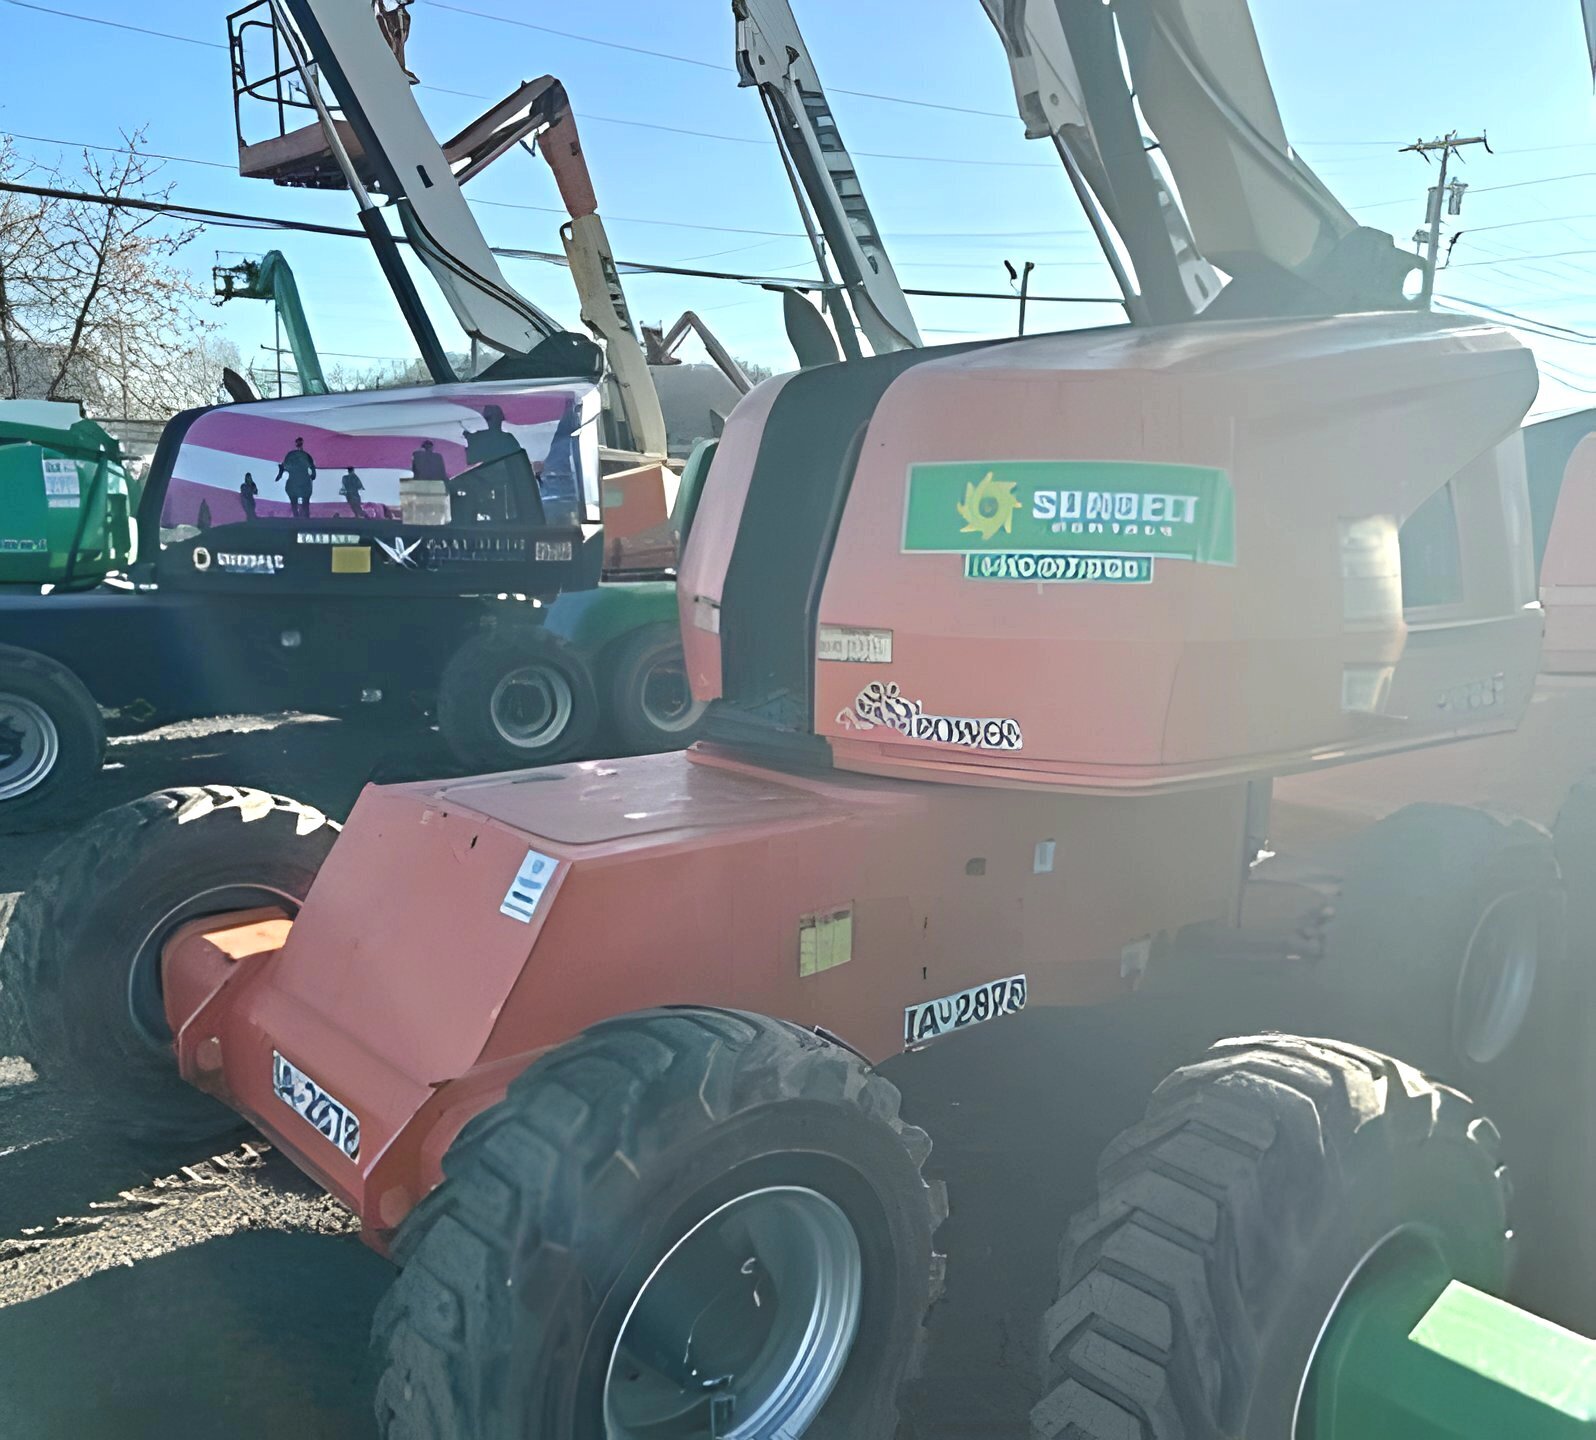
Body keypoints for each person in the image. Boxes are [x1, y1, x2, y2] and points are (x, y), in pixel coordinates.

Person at [275, 437, 317, 519]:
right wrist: (280, 473)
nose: (299, 444)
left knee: (305, 501)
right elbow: (283, 466)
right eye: (298, 442)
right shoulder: (291, 455)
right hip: (295, 480)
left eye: (300, 442)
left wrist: (313, 474)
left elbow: (312, 466)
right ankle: (297, 516)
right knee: (294, 499)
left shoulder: (305, 455)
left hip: (304, 481)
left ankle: (305, 516)